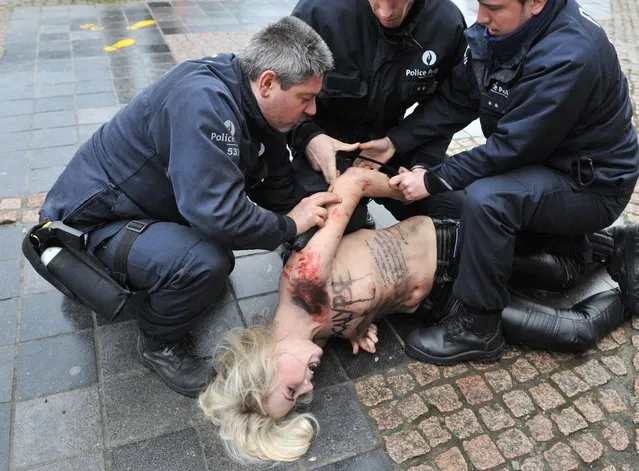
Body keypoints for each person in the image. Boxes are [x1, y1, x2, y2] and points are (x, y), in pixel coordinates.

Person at [198, 167, 637, 463]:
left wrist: (413, 189)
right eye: (302, 396)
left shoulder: (303, 281)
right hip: (446, 302)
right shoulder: (309, 337)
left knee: (558, 273)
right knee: (574, 332)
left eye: (293, 388)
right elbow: (357, 305)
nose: (310, 384)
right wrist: (359, 327)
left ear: (264, 363)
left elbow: (352, 182)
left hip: (455, 247)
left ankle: (617, 242)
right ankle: (632, 289)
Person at [32, 17, 342, 397]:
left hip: (144, 205)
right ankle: (159, 343)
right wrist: (289, 226)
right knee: (207, 262)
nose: (312, 110)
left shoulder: (256, 106)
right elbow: (219, 215)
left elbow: (274, 181)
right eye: (305, 98)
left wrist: (303, 238)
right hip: (83, 228)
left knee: (206, 254)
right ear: (267, 83)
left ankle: (164, 273)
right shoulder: (204, 104)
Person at [357, 0, 639, 364]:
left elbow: (510, 147)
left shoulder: (571, 54)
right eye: (479, 4)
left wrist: (434, 179)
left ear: (536, 2)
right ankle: (605, 245)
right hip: (542, 163)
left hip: (591, 186)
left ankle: (478, 327)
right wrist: (395, 143)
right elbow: (455, 101)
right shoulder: (502, 32)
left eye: (495, 7)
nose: (481, 18)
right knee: (451, 199)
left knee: (487, 200)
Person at [288, 0, 468, 231]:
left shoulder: (446, 23)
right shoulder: (318, 12)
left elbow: (449, 103)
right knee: (321, 225)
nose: (385, 13)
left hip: (396, 140)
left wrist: (421, 162)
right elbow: (276, 96)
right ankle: (355, 217)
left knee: (459, 211)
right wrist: (308, 137)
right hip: (326, 143)